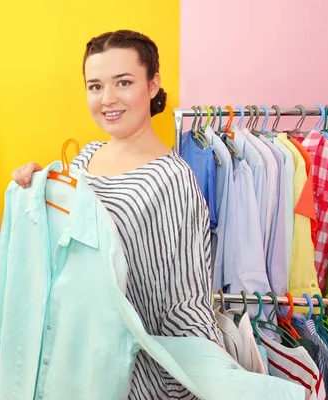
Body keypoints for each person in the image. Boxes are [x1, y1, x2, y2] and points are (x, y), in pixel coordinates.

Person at [12, 30, 223, 399]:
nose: (107, 99)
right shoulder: (85, 157)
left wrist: (202, 382)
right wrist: (36, 190)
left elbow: (184, 301)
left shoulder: (172, 180)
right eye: (95, 86)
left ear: (153, 85)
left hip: (130, 377)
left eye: (123, 82)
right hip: (70, 363)